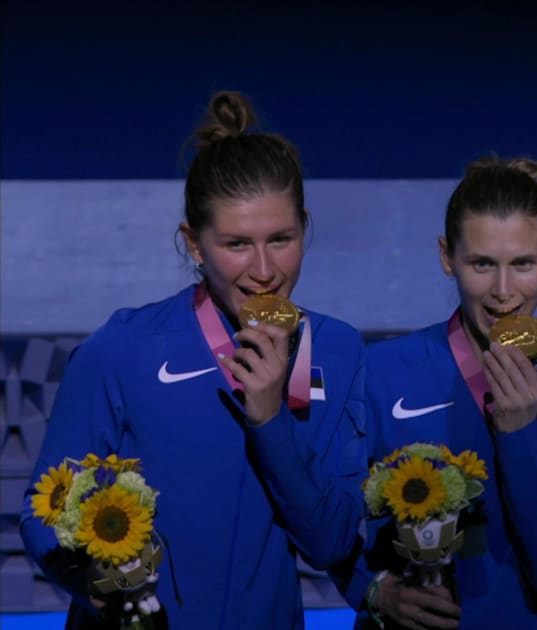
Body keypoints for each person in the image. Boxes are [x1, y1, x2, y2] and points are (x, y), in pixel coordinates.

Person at [19, 91, 368, 629]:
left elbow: (333, 543)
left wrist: (272, 421)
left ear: (305, 228)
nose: (263, 269)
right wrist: (96, 585)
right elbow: (43, 513)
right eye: (236, 244)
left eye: (281, 239)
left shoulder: (338, 351)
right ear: (195, 244)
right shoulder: (124, 347)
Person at [336, 157, 537, 629]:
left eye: (523, 264)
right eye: (482, 264)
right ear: (446, 256)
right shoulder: (382, 372)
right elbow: (330, 527)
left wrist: (519, 435)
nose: (503, 291)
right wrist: (373, 592)